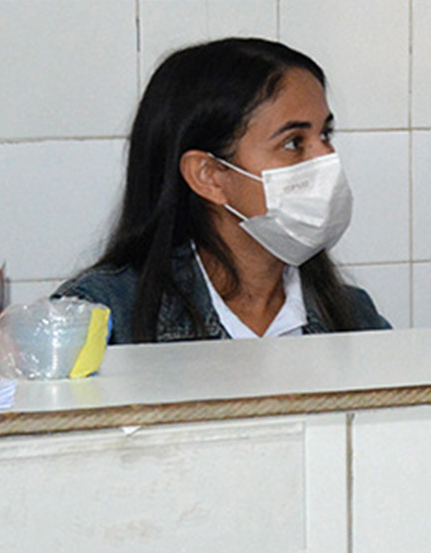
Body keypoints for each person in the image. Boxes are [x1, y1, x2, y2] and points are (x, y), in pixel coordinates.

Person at [59, 37, 389, 343]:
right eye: (293, 143)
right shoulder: (103, 315)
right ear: (210, 176)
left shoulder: (353, 317)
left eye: (325, 135)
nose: (326, 159)